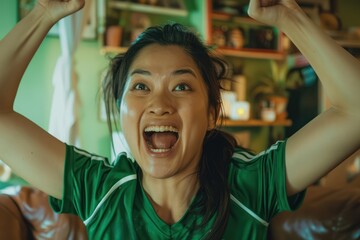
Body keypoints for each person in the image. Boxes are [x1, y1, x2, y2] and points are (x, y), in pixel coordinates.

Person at [0, 0, 359, 239]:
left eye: (182, 86)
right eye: (140, 86)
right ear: (121, 110)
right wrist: (43, 12)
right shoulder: (97, 189)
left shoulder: (250, 185)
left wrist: (289, 16)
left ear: (210, 113)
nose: (159, 103)